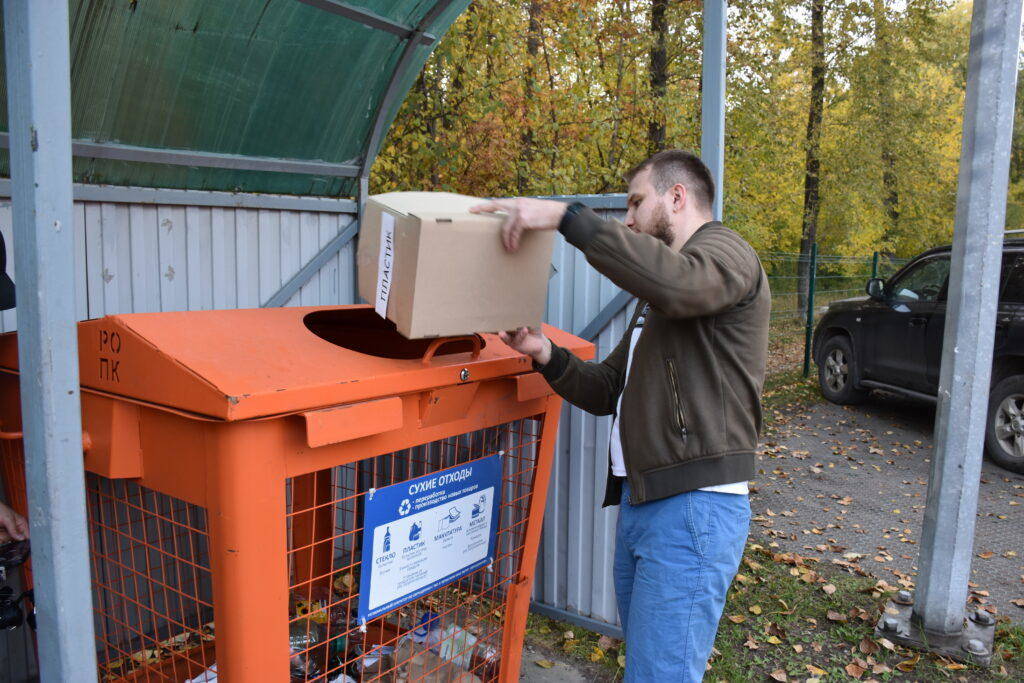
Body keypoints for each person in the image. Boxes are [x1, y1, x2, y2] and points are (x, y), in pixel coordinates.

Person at [471, 149, 770, 682]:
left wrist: (567, 218)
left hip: (693, 510)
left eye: (636, 202)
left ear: (678, 197)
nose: (628, 219)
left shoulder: (725, 254)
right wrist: (543, 352)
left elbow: (679, 283)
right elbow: (610, 387)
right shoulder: (661, 295)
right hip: (646, 505)